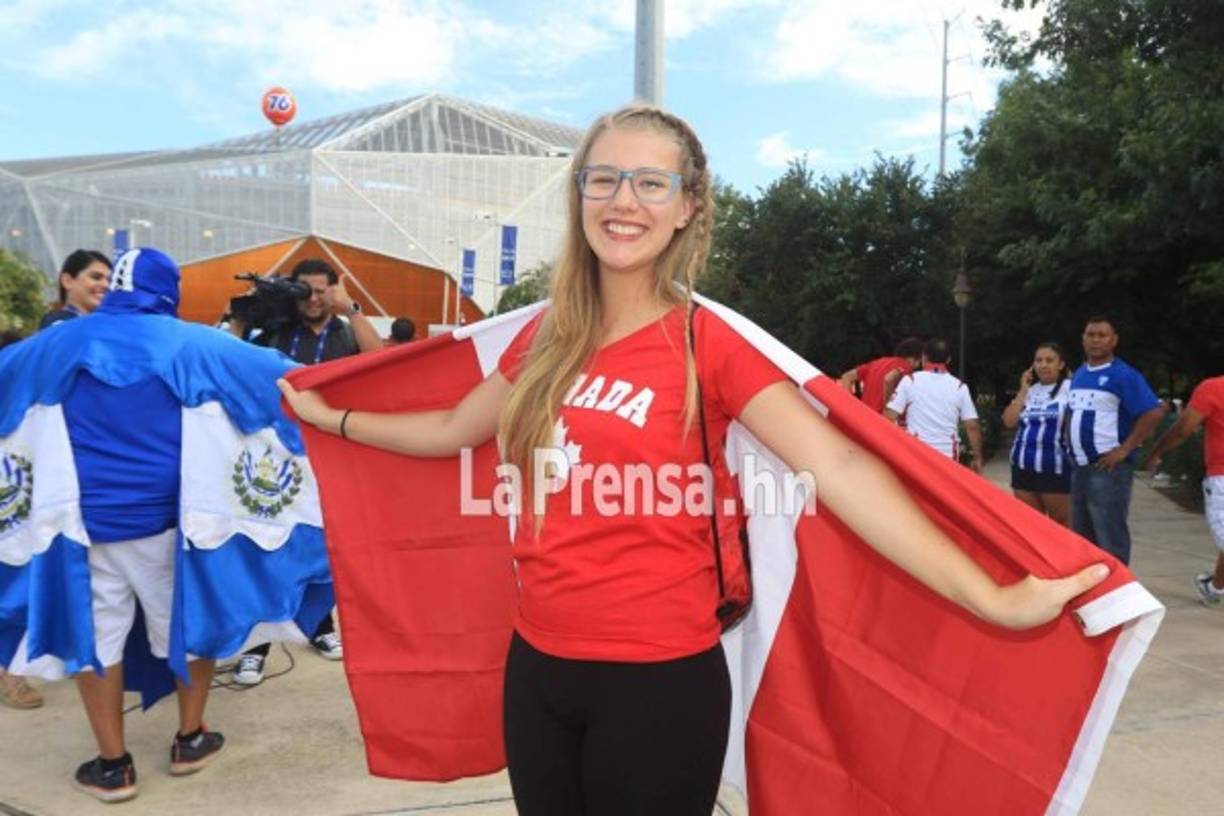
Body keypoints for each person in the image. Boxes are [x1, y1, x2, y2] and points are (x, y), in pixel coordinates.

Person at [274, 105, 1106, 816]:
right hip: (537, 669)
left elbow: (842, 470)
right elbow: (454, 427)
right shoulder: (543, 338)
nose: (622, 199)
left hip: (659, 685)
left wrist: (992, 599)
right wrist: (333, 416)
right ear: (579, 198)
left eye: (650, 182)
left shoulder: (708, 342)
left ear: (687, 209)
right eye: (602, 179)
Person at [0, 247, 332, 803]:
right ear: (167, 291)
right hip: (168, 527)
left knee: (96, 643)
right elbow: (300, 380)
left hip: (79, 531)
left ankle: (113, 767)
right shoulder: (195, 343)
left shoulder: (54, 344)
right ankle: (189, 738)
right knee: (187, 629)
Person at [231, 259, 378, 684]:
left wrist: (349, 308)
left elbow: (378, 356)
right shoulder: (274, 332)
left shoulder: (344, 333)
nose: (312, 300)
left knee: (321, 549)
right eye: (304, 291)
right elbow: (230, 361)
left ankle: (319, 627)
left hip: (327, 457)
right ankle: (254, 646)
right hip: (272, 462)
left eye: (320, 291)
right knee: (265, 548)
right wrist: (240, 321)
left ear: (332, 291)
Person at [1066, 317, 1165, 564]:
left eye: (1102, 335)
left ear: (1114, 340)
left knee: (1109, 535)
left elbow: (1152, 412)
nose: (1096, 340)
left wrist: (1125, 449)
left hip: (1108, 469)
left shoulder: (1124, 375)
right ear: (1083, 339)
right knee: (1083, 537)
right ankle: (1093, 593)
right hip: (1079, 467)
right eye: (1091, 334)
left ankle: (1120, 594)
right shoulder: (1079, 374)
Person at [1140, 374, 1224, 606]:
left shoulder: (1214, 388)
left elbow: (1183, 429)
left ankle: (1216, 587)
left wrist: (1156, 451)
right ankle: (1215, 588)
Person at [883, 339, 983, 473]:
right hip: (948, 456)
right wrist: (977, 457)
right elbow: (972, 426)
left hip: (915, 454)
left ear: (924, 357)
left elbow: (889, 416)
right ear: (948, 360)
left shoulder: (910, 381)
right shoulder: (960, 387)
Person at [1002, 342, 1073, 525]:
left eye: (1049, 360)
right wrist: (1023, 390)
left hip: (1055, 468)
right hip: (1023, 467)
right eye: (1038, 360)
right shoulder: (1030, 392)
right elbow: (1009, 421)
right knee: (1032, 526)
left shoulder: (1070, 388)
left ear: (1061, 364)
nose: (1043, 365)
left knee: (1061, 525)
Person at [838, 337, 924, 413]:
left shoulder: (878, 362)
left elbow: (846, 377)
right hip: (879, 422)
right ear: (916, 358)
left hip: (862, 417)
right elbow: (888, 379)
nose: (917, 366)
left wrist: (850, 407)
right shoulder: (906, 368)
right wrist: (887, 410)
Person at [38, 249, 112, 329]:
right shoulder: (58, 324)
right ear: (67, 281)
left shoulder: (106, 326)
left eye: (110, 280)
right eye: (96, 277)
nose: (106, 285)